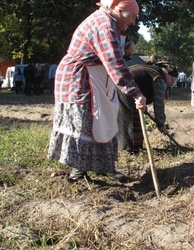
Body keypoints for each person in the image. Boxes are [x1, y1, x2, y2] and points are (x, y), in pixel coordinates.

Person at [48, 0, 147, 183]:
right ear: (119, 10)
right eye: (132, 16)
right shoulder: (104, 26)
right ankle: (79, 172)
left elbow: (107, 54)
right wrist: (136, 92)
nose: (133, 22)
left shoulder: (110, 23)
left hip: (98, 79)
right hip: (80, 79)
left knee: (106, 120)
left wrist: (125, 50)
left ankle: (105, 167)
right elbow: (115, 64)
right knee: (86, 122)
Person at [117, 63, 178, 154]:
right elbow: (159, 104)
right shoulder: (159, 78)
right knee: (131, 119)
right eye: (172, 80)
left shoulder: (153, 71)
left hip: (121, 86)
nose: (171, 84)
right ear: (168, 74)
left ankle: (129, 148)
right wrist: (161, 123)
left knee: (125, 117)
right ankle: (131, 149)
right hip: (128, 89)